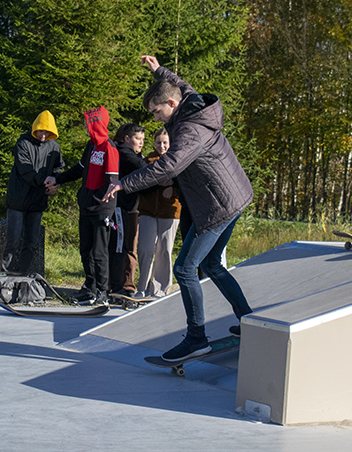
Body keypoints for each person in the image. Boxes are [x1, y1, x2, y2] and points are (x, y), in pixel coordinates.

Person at [103, 55, 253, 363]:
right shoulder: (192, 103)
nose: (156, 119)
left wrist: (124, 184)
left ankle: (196, 337)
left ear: (172, 105)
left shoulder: (189, 131)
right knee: (212, 265)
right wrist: (159, 70)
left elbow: (167, 167)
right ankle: (249, 321)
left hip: (218, 204)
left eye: (157, 112)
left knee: (185, 268)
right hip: (234, 195)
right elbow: (180, 84)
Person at [46, 106, 119, 305]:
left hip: (101, 208)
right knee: (85, 249)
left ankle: (103, 291)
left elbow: (112, 181)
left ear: (98, 124)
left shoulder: (109, 148)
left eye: (89, 125)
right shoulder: (91, 145)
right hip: (86, 206)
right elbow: (80, 169)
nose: (87, 128)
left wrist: (96, 199)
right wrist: (58, 179)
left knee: (99, 252)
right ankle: (90, 287)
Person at [2, 110, 64, 274]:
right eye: (41, 131)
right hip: (18, 198)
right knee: (12, 241)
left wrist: (54, 182)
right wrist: (45, 181)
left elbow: (58, 167)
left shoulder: (54, 146)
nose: (43, 135)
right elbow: (26, 170)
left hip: (37, 200)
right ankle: (7, 273)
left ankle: (22, 274)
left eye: (47, 132)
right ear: (35, 128)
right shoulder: (22, 143)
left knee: (31, 242)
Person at [135, 127, 181, 298]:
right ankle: (142, 288)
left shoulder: (178, 159)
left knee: (164, 250)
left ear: (170, 143)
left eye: (165, 143)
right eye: (158, 142)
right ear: (154, 143)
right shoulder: (148, 160)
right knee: (145, 249)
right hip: (147, 210)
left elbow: (186, 180)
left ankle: (160, 290)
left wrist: (173, 187)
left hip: (169, 211)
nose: (162, 146)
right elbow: (141, 181)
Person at [109, 123, 147, 297]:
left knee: (129, 246)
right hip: (121, 207)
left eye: (143, 139)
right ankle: (118, 286)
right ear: (126, 139)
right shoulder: (124, 152)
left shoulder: (134, 154)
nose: (141, 143)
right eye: (137, 139)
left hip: (132, 208)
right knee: (121, 246)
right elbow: (143, 168)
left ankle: (127, 283)